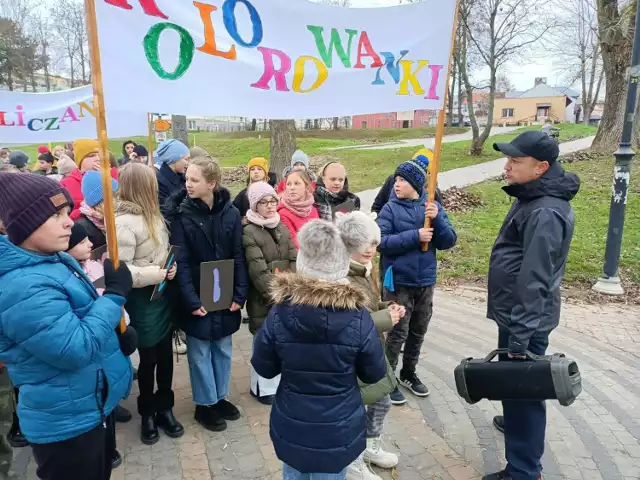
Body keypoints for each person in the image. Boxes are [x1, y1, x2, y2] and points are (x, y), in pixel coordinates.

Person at [0, 172, 135, 480]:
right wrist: (114, 298)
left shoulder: (52, 259)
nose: (69, 222)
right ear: (24, 224)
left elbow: (79, 317)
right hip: (65, 424)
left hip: (87, 406)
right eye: (55, 215)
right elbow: (72, 349)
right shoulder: (22, 286)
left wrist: (115, 336)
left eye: (66, 212)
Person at [251, 214, 387, 480]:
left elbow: (264, 368)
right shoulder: (358, 318)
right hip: (339, 428)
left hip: (293, 424)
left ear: (303, 263)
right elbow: (373, 373)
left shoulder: (280, 313)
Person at [484, 131, 579, 480]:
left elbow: (536, 277)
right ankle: (515, 420)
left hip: (524, 319)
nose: (507, 166)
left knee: (524, 388)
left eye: (515, 161)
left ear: (541, 167)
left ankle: (523, 471)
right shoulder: (532, 195)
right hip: (516, 313)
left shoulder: (546, 211)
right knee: (516, 387)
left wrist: (521, 337)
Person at [166, 156, 248, 432]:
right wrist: (191, 299)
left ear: (211, 184)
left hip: (224, 292)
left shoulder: (231, 213)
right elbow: (182, 261)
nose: (187, 184)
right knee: (200, 349)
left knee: (223, 346)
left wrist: (240, 293)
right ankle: (204, 404)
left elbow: (238, 253)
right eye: (186, 178)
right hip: (198, 292)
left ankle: (219, 396)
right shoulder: (182, 215)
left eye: (194, 179)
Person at [377, 154, 457, 405]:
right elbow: (381, 242)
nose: (396, 184)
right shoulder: (390, 209)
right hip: (398, 281)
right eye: (396, 179)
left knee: (418, 330)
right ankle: (387, 378)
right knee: (397, 332)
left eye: (402, 180)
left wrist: (439, 218)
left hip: (425, 281)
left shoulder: (431, 207)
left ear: (417, 184)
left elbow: (447, 241)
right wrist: (415, 235)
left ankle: (408, 372)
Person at [115, 163, 184, 445]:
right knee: (148, 358)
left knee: (165, 355)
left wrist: (171, 266)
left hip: (161, 294)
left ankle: (165, 406)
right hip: (142, 299)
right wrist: (157, 273)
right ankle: (147, 412)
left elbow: (163, 250)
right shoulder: (122, 223)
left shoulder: (153, 214)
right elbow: (121, 270)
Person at [65, 223, 130, 469]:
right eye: (81, 242)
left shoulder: (90, 268)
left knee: (107, 406)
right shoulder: (64, 277)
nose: (90, 244)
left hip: (106, 349)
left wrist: (124, 325)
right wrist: (114, 294)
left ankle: (109, 447)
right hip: (89, 360)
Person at [343, 212, 404, 480]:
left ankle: (369, 446)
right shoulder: (343, 277)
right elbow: (349, 322)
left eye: (374, 244)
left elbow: (366, 308)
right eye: (364, 244)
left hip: (371, 349)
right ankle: (353, 460)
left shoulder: (365, 271)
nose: (370, 250)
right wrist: (383, 318)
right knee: (358, 408)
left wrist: (384, 308)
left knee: (382, 400)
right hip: (354, 355)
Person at [242, 181, 296, 405]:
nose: (270, 205)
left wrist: (290, 288)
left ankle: (278, 383)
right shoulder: (249, 232)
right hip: (262, 298)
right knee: (263, 341)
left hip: (285, 295)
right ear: (255, 205)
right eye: (263, 202)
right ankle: (261, 387)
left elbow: (293, 257)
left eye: (273, 200)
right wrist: (277, 293)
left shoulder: (281, 226)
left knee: (280, 341)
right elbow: (258, 270)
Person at [371, 149, 440, 217]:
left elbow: (442, 221)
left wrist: (437, 217)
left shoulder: (433, 192)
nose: (397, 184)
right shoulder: (392, 181)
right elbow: (377, 207)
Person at [277, 170, 320, 249]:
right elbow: (294, 244)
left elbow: (319, 235)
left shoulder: (313, 210)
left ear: (306, 186)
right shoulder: (283, 213)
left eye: (297, 183)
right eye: (288, 184)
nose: (292, 188)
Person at [156, 139, 190, 208]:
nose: (188, 163)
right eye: (186, 159)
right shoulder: (160, 183)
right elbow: (165, 210)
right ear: (174, 159)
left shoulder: (184, 177)